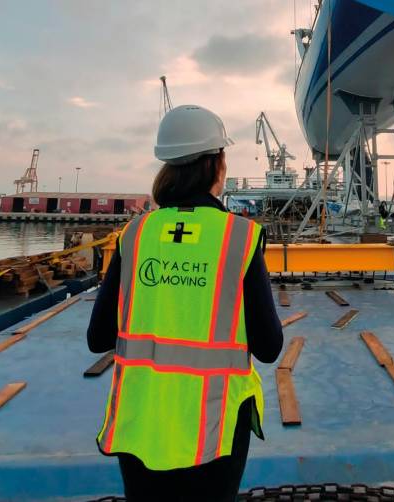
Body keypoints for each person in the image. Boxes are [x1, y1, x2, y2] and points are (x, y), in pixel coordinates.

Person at [86, 104, 284, 502]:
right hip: (214, 431)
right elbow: (268, 347)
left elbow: (98, 338)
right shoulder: (239, 238)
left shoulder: (136, 235)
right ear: (217, 165)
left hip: (141, 423)